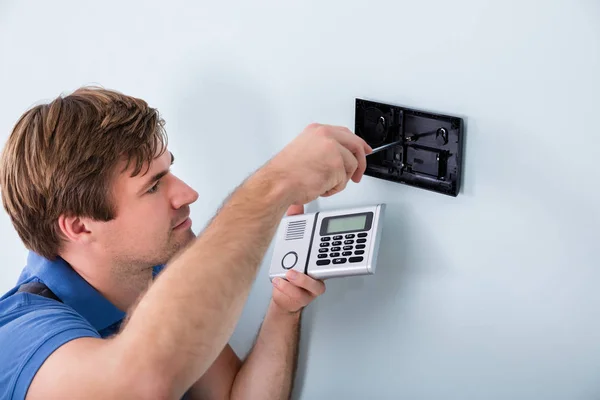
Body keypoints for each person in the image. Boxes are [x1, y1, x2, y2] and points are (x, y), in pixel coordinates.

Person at [0, 86, 372, 399]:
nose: (188, 194)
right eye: (153, 186)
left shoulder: (152, 271)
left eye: (170, 170)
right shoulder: (18, 336)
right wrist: (275, 184)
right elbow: (139, 385)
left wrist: (283, 309)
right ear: (79, 228)